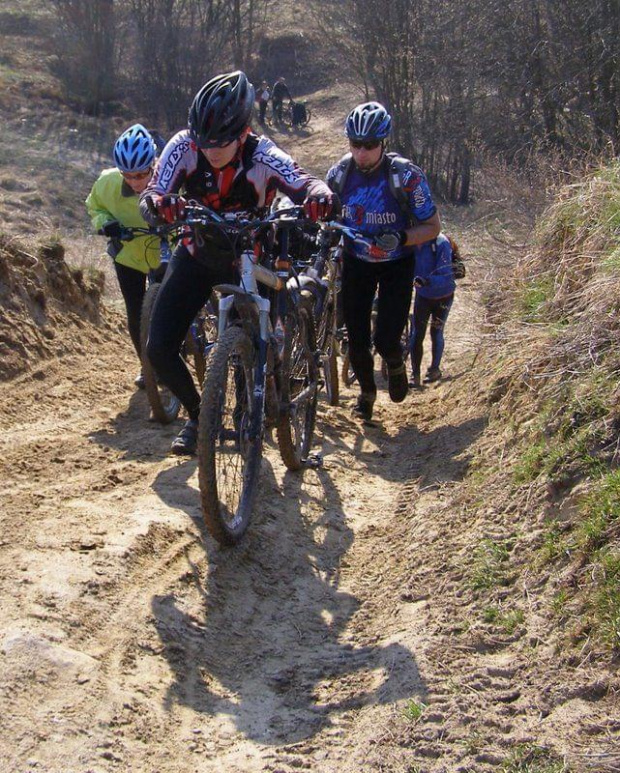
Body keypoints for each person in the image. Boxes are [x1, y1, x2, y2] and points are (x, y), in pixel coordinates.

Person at [139, 70, 338, 455]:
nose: (210, 150)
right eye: (204, 141)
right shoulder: (183, 147)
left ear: (243, 133)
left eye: (221, 142)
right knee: (159, 348)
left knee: (251, 346)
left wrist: (321, 196)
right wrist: (159, 205)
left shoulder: (263, 155)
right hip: (198, 252)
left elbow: (302, 180)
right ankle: (201, 416)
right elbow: (154, 192)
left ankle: (251, 417)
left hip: (250, 257)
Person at [326, 101, 441, 422]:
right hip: (356, 262)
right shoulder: (339, 174)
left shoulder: (405, 176)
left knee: (386, 337)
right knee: (357, 339)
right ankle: (366, 393)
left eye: (369, 145)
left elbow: (433, 227)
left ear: (383, 143)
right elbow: (327, 219)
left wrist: (402, 238)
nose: (361, 152)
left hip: (396, 263)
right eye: (355, 144)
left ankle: (394, 361)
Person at [85, 123, 162, 389]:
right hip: (128, 254)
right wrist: (105, 223)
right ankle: (147, 366)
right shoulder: (107, 182)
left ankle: (173, 353)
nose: (135, 182)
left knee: (167, 308)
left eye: (141, 174)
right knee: (136, 311)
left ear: (153, 164)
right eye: (128, 175)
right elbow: (94, 206)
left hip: (165, 251)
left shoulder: (172, 178)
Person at [409, 233, 456, 387]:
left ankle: (434, 369)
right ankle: (415, 374)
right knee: (417, 334)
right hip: (423, 295)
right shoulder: (410, 241)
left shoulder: (441, 243)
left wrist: (427, 280)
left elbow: (446, 274)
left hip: (443, 296)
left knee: (436, 332)